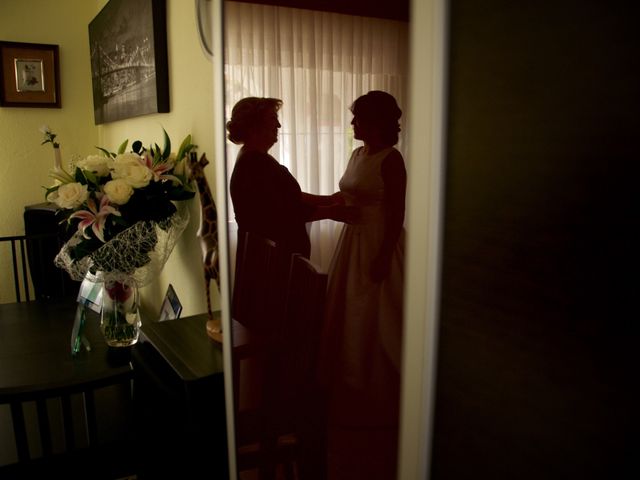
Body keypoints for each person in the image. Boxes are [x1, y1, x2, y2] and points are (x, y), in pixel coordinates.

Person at [320, 90, 406, 479]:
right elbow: (347, 195)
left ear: (375, 121)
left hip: (377, 244)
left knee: (378, 317)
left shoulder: (392, 160)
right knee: (349, 316)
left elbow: (396, 212)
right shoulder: (358, 155)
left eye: (357, 118)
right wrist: (324, 208)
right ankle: (351, 390)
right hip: (352, 243)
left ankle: (382, 395)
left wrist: (384, 256)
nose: (352, 124)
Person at [227, 96, 353, 261]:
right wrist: (331, 211)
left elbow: (289, 197)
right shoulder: (254, 163)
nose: (278, 125)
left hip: (272, 256)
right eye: (273, 118)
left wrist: (328, 200)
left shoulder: (255, 159)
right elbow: (284, 212)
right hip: (271, 262)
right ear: (253, 126)